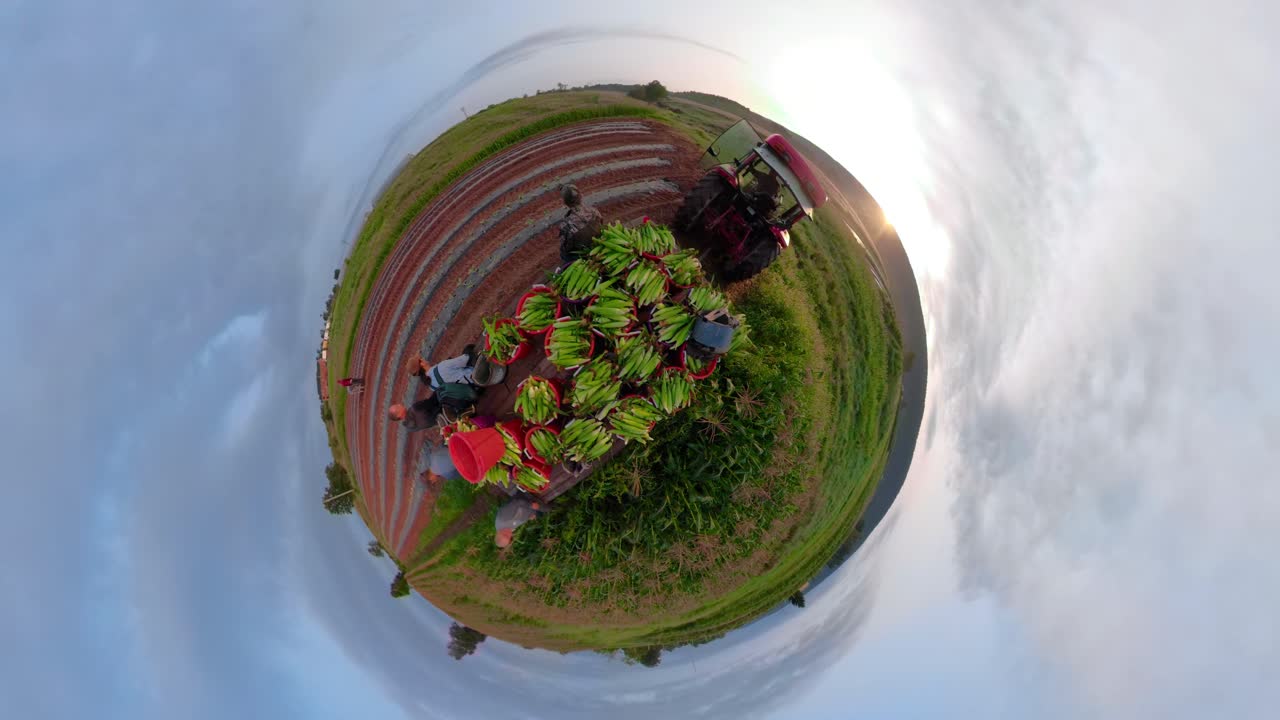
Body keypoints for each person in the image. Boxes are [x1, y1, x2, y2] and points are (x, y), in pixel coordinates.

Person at [557, 184, 603, 264]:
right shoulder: (594, 211)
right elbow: (601, 224)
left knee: (563, 254)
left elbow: (566, 248)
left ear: (565, 203)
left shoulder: (566, 225)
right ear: (581, 196)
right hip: (598, 244)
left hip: (582, 254)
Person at [408, 347, 476, 390]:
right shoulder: (442, 366)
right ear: (422, 364)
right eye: (421, 359)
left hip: (469, 391)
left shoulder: (431, 386)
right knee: (468, 350)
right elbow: (465, 359)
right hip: (475, 380)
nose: (423, 358)